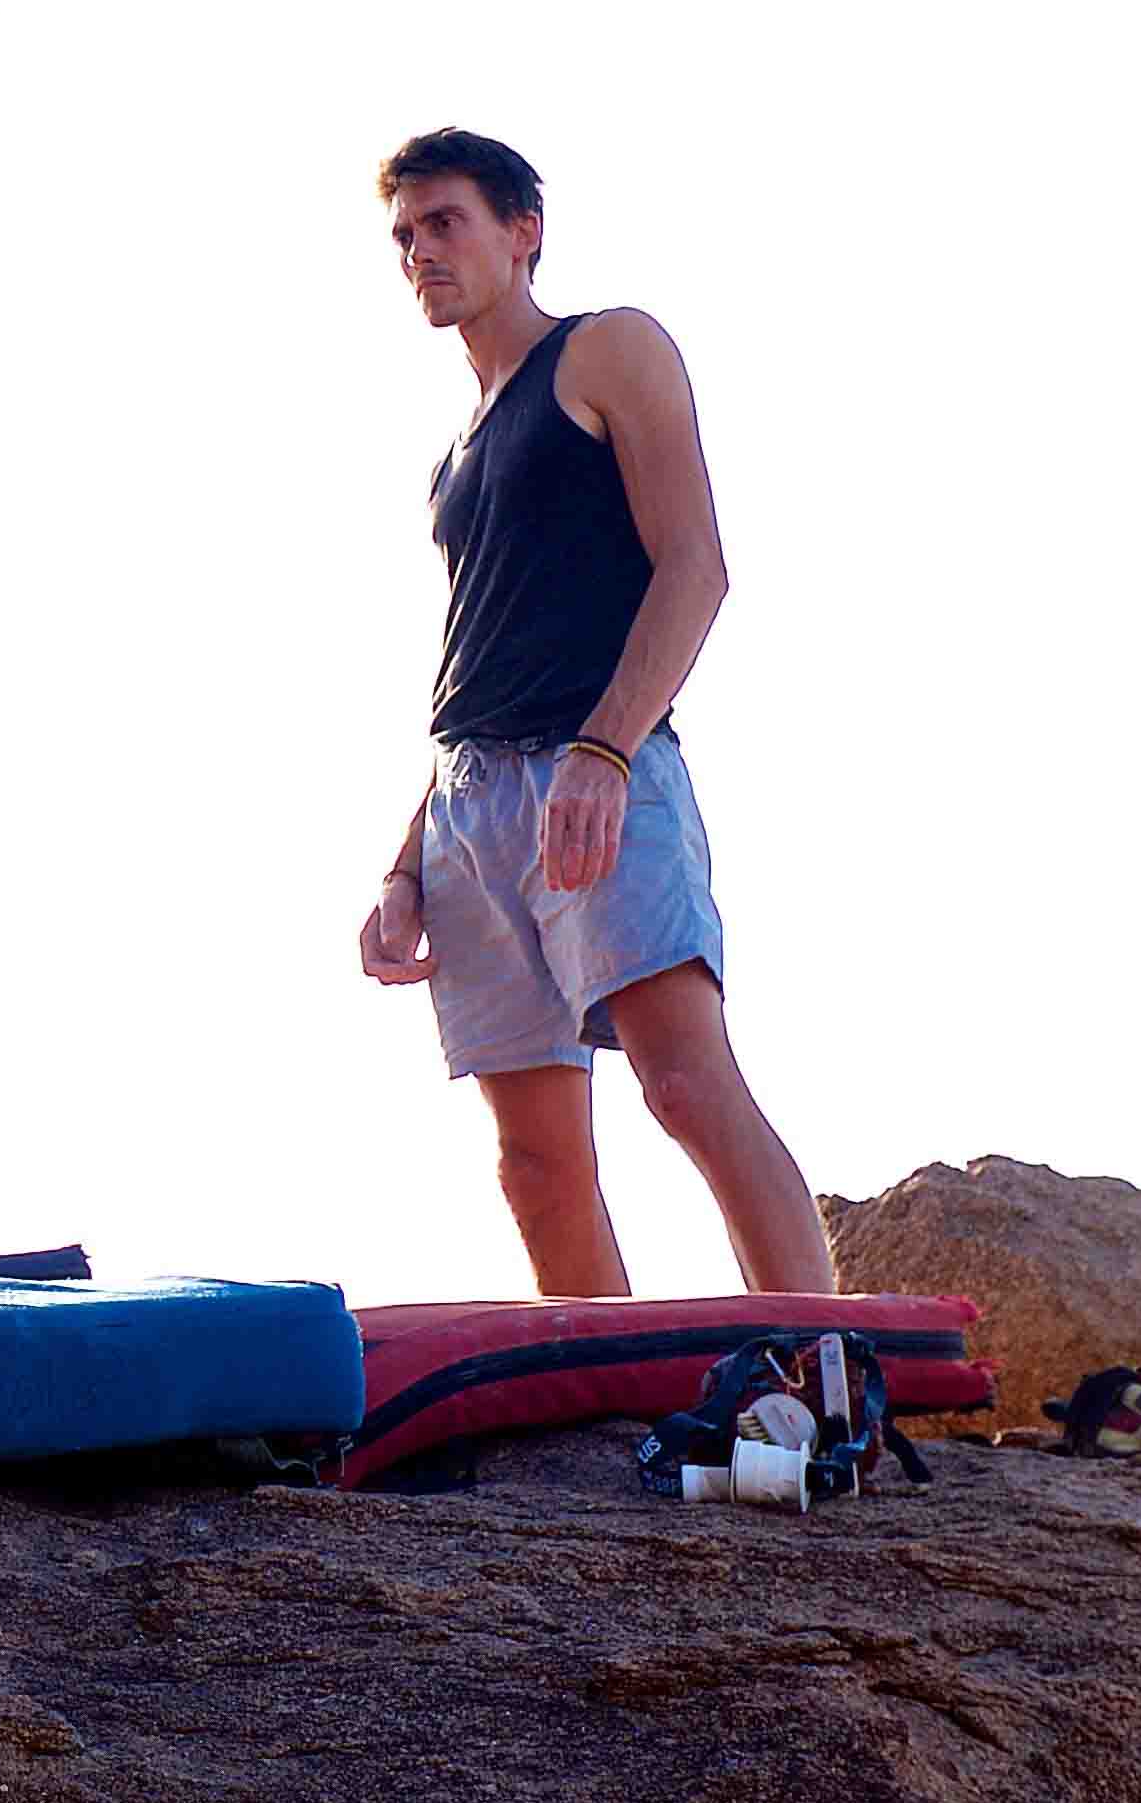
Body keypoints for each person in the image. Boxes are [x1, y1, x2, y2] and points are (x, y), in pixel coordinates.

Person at [351, 128, 833, 1296]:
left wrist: (605, 748)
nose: (421, 251)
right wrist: (403, 866)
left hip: (597, 769)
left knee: (684, 1086)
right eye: (404, 235)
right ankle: (602, 1438)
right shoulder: (452, 458)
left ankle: (825, 1376)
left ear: (524, 232)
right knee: (535, 1164)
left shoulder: (608, 350)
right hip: (471, 802)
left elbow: (697, 566)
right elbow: (475, 660)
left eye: (445, 222)